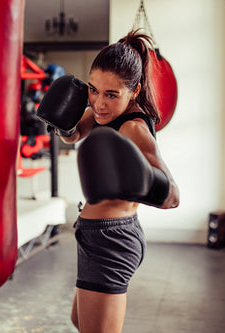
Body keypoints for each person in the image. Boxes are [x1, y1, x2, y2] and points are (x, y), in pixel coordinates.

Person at [37, 29, 180, 333]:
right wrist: (61, 124)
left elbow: (173, 196)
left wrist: (137, 179)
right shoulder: (102, 112)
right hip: (93, 235)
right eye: (93, 90)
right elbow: (75, 133)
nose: (99, 103)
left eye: (111, 94)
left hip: (111, 241)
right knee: (80, 321)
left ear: (135, 90)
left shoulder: (135, 130)